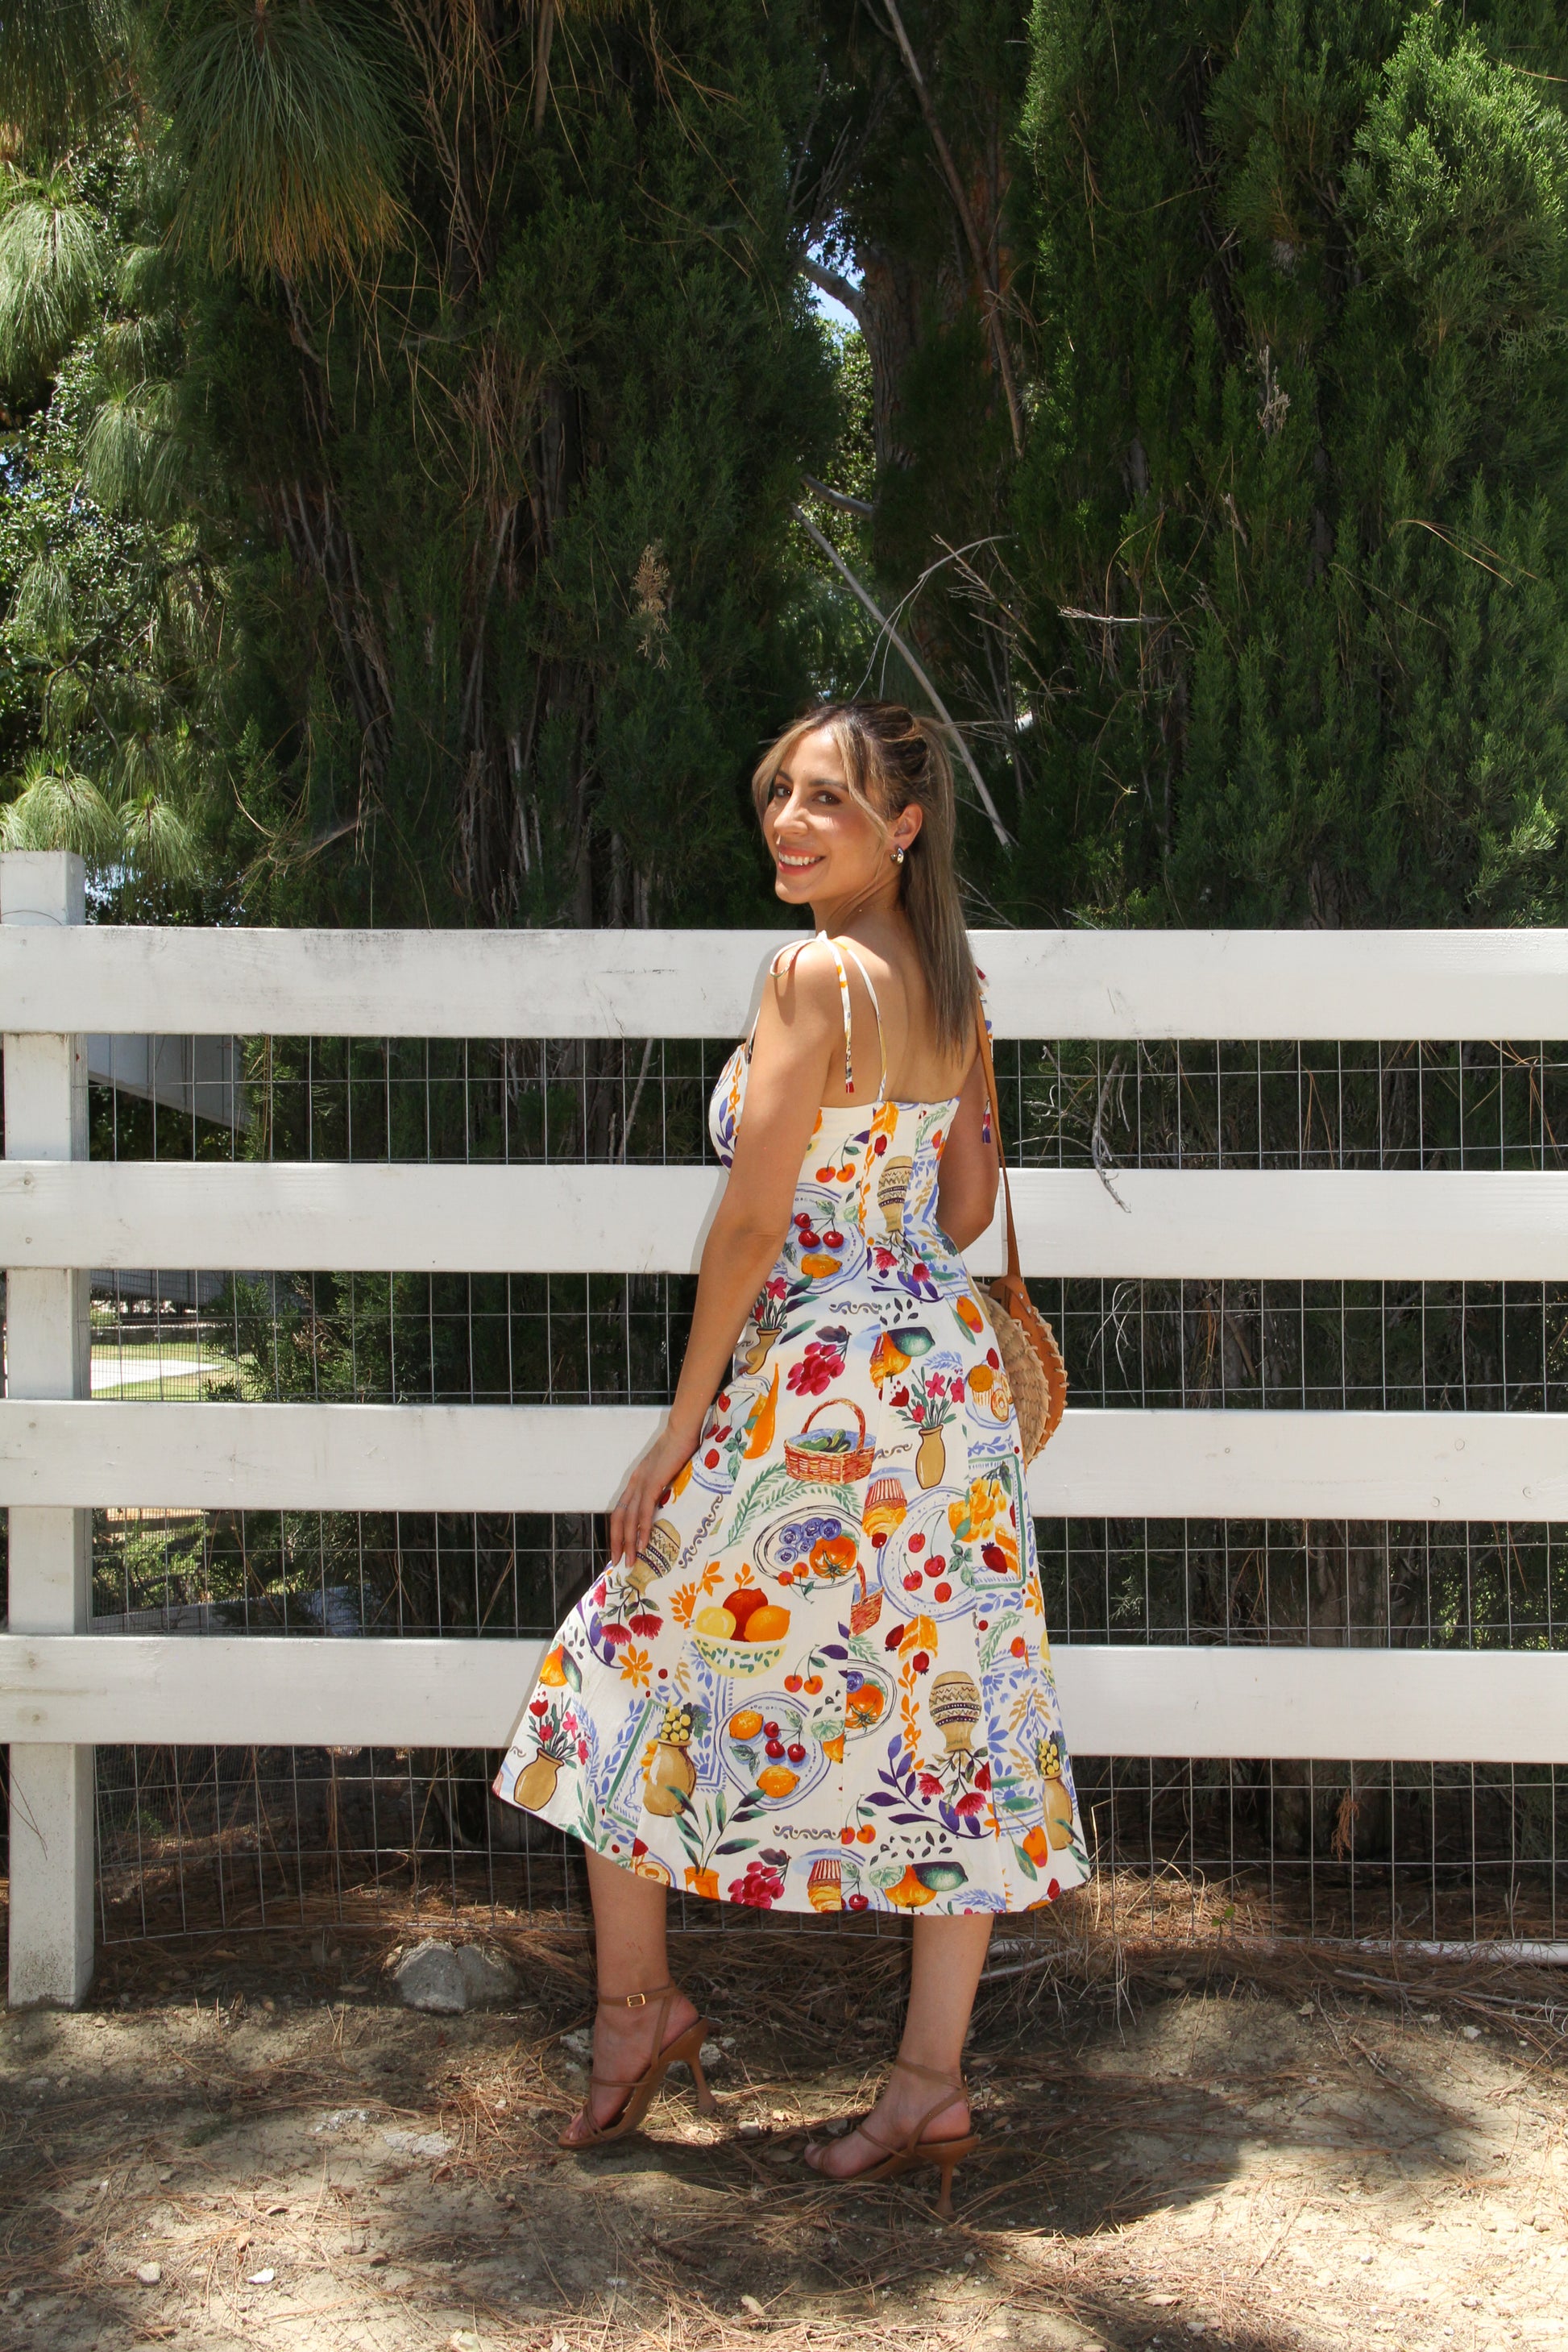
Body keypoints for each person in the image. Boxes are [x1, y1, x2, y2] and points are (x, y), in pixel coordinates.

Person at [495, 700, 1089, 2211]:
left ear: (903, 827)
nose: (788, 820)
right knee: (946, 1716)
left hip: (817, 1382)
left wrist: (681, 1430)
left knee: (626, 1650)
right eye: (778, 792)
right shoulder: (953, 990)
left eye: (828, 797)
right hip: (938, 1393)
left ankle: (640, 2013)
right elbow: (961, 1218)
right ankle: (927, 2085)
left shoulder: (811, 974)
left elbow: (753, 1224)